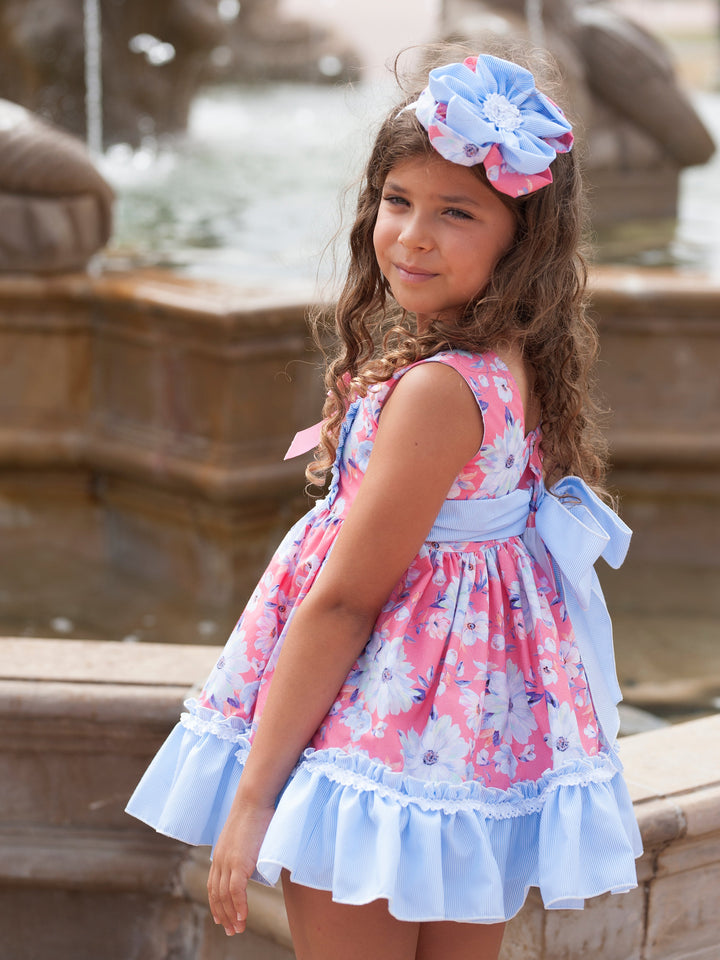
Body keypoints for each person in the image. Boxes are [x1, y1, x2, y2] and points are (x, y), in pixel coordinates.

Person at [126, 47, 642, 960]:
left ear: (520, 239)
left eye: (456, 212)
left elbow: (345, 600)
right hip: (458, 743)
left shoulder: (440, 391)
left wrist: (253, 798)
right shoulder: (507, 362)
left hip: (380, 729)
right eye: (399, 201)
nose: (412, 236)